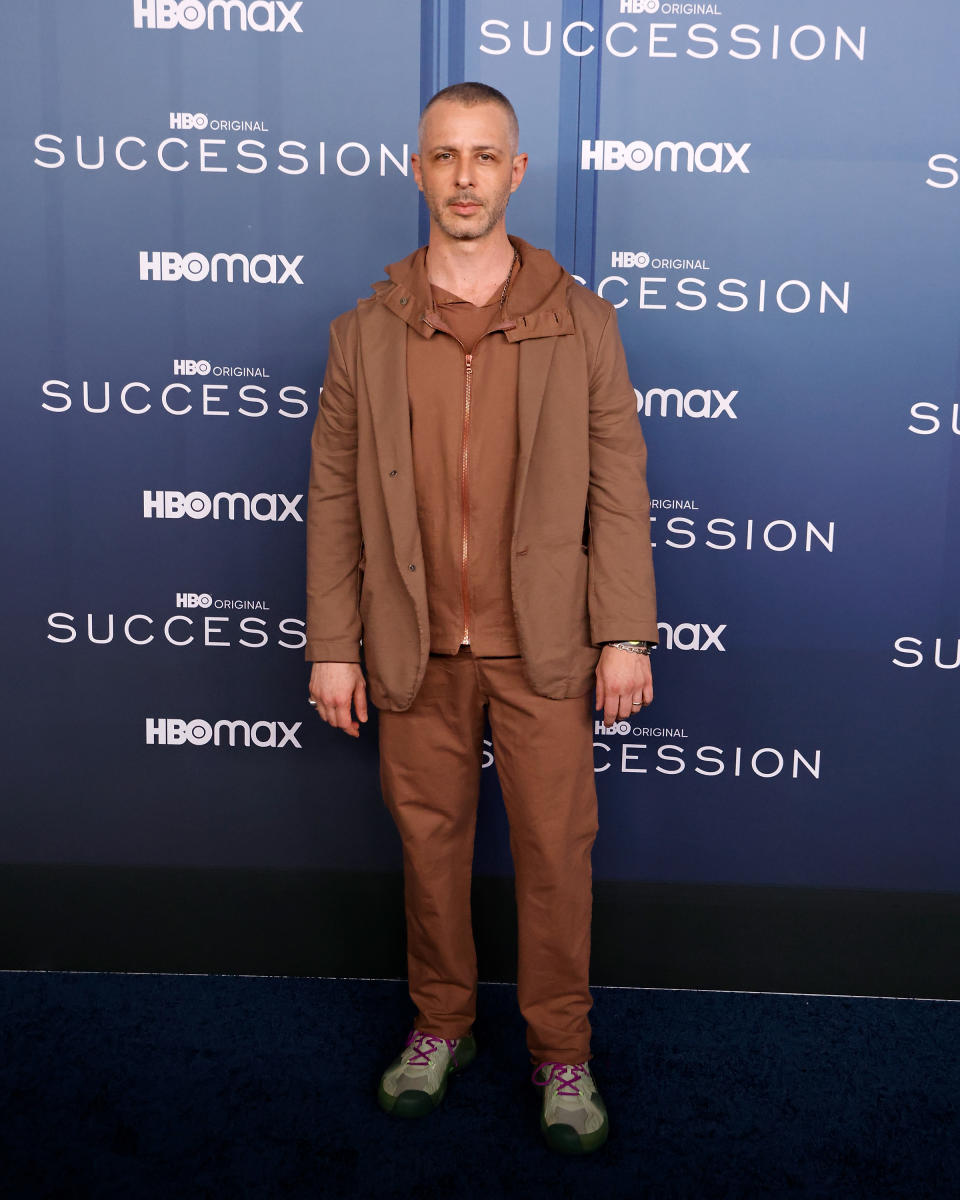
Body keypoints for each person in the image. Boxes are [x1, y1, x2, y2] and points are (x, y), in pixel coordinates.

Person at [305, 82, 657, 1155]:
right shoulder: (363, 333)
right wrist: (332, 643)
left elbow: (618, 486)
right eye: (444, 156)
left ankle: (562, 1049)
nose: (464, 176)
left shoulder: (583, 320)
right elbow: (331, 494)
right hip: (413, 647)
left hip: (545, 646)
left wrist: (627, 632)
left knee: (557, 856)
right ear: (418, 172)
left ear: (515, 174)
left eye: (484, 156)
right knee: (429, 852)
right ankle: (440, 1026)